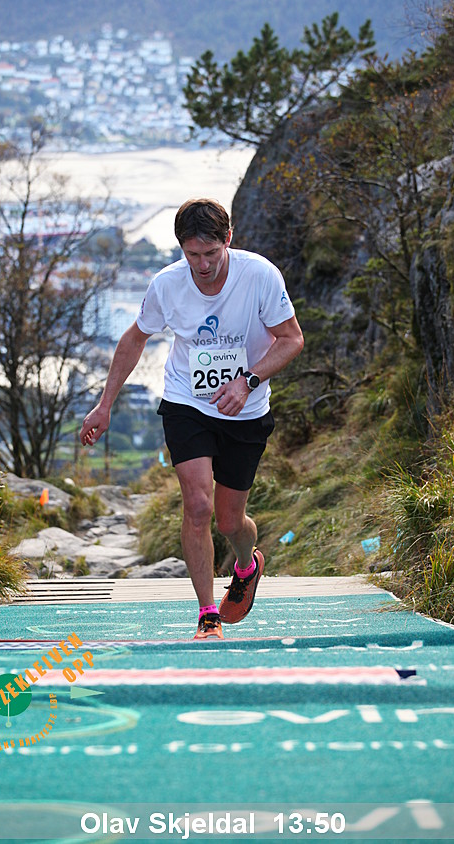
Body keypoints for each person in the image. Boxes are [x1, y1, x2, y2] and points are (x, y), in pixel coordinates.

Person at [80, 199, 303, 640]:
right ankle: (207, 614)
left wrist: (248, 382)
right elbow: (135, 338)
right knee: (198, 507)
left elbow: (291, 339)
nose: (202, 265)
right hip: (188, 402)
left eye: (211, 253)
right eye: (192, 254)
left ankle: (246, 565)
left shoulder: (260, 275)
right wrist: (104, 404)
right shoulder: (168, 284)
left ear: (228, 240)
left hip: (245, 409)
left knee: (229, 522)